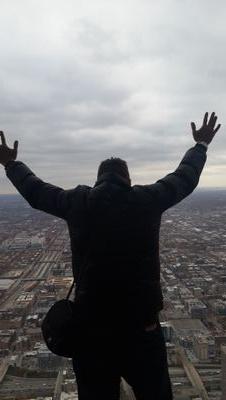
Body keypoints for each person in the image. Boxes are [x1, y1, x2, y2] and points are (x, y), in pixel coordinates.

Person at [0, 112, 221, 400]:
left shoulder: (78, 202)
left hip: (91, 334)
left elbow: (37, 191)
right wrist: (201, 145)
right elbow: (183, 178)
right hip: (142, 329)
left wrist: (11, 163)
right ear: (127, 179)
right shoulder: (146, 200)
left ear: (98, 179)